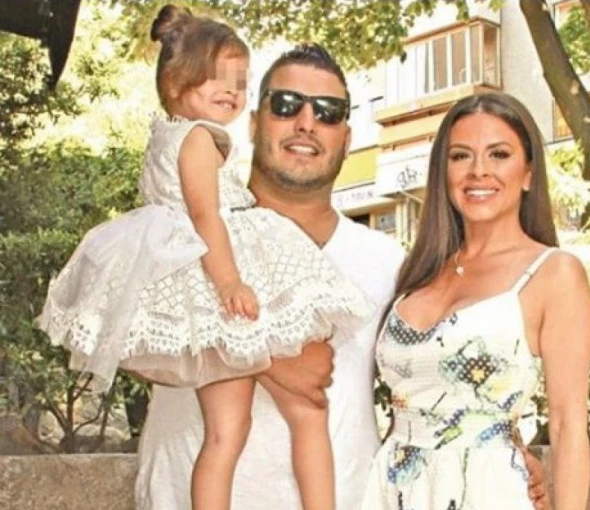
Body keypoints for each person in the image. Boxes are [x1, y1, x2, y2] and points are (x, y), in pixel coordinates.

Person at [135, 43, 552, 510]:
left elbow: (438, 379)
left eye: (328, 112)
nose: (306, 123)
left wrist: (503, 451)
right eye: (286, 104)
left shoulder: (392, 263)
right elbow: (115, 338)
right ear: (253, 122)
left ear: (347, 138)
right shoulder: (181, 229)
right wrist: (267, 358)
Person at [37, 6, 373, 510]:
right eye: (284, 104)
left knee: (237, 429)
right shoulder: (197, 143)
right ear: (177, 82)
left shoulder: (170, 141)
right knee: (250, 426)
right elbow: (204, 219)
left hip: (216, 302)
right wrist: (245, 308)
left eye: (240, 83)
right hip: (213, 300)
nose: (233, 92)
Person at [361, 93, 590, 509]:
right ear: (443, 172)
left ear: (528, 173)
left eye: (499, 154)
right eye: (460, 156)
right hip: (395, 488)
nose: (478, 171)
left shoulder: (554, 274)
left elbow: (567, 423)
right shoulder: (418, 271)